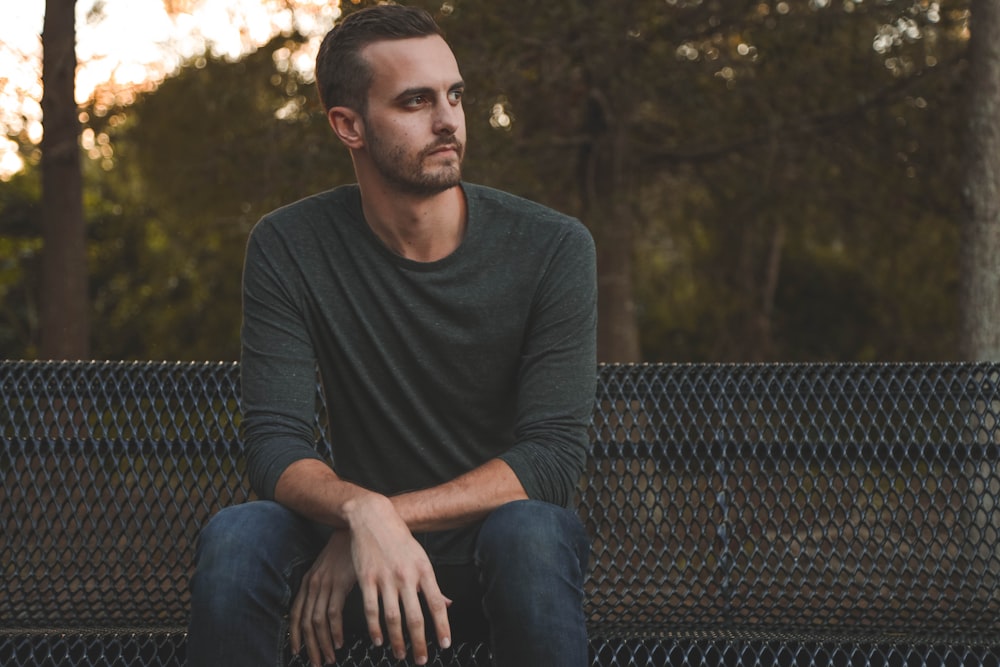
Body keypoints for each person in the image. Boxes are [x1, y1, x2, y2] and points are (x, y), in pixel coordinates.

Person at [186, 5, 597, 667]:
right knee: (240, 535)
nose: (449, 121)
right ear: (348, 124)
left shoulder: (552, 247)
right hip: (346, 569)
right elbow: (274, 446)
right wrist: (356, 513)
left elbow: (549, 459)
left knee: (533, 531)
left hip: (493, 561)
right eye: (415, 101)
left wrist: (381, 517)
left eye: (454, 95)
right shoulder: (290, 245)